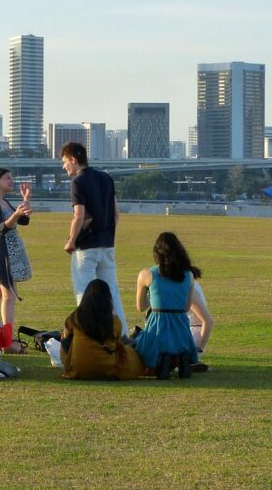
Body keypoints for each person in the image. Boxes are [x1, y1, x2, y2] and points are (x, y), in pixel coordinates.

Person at [61, 141, 127, 335]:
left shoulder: (78, 182)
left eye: (65, 162)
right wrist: (108, 234)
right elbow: (116, 213)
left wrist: (71, 240)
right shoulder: (106, 178)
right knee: (111, 291)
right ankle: (121, 334)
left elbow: (79, 215)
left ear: (73, 160)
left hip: (86, 247)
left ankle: (88, 335)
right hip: (107, 244)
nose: (64, 166)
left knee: (84, 292)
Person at [0, 168, 33, 353]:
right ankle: (6, 342)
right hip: (2, 255)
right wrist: (17, 214)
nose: (12, 181)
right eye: (7, 178)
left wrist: (25, 202)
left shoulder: (2, 201)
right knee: (8, 296)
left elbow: (23, 222)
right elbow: (2, 227)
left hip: (9, 253)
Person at [133, 232, 200, 378]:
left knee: (135, 341)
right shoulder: (188, 275)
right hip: (181, 330)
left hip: (157, 327)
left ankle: (161, 361)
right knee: (176, 342)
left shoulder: (146, 274)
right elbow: (186, 307)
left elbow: (140, 307)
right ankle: (178, 359)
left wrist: (155, 298)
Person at [60, 279, 144, 380]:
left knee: (65, 336)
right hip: (107, 368)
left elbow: (65, 338)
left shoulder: (75, 317)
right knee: (132, 355)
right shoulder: (114, 321)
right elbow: (117, 342)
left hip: (78, 369)